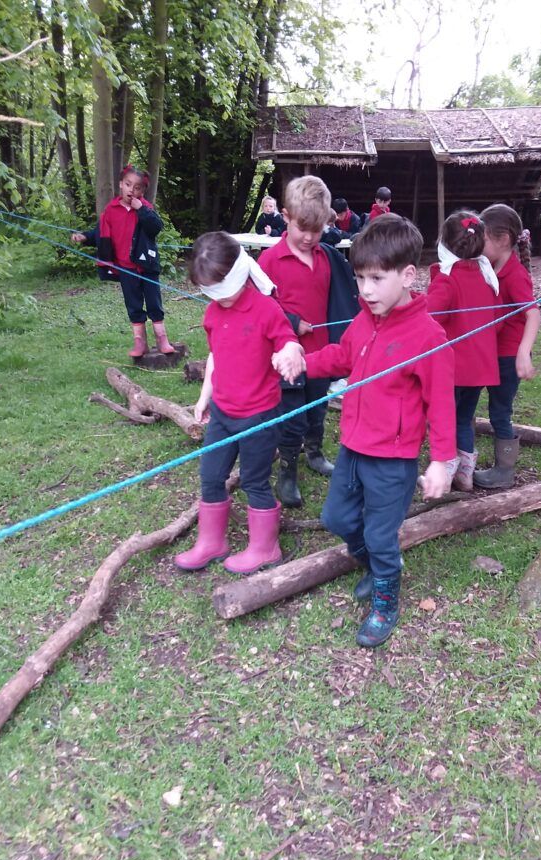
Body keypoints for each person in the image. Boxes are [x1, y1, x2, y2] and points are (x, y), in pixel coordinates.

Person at [273, 214, 458, 649]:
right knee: (334, 517)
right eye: (359, 278)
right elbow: (342, 356)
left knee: (380, 534)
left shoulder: (428, 337)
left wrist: (443, 462)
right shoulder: (365, 320)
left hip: (392, 461)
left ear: (408, 275)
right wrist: (304, 363)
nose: (366, 289)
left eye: (376, 278)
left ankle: (385, 600)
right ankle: (374, 564)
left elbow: (443, 407)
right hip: (353, 448)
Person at [173, 232, 301, 575]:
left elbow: (287, 339)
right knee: (211, 476)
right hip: (223, 415)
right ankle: (212, 542)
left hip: (259, 415)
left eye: (219, 287)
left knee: (254, 481)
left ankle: (265, 547)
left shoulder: (265, 308)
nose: (217, 298)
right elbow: (216, 355)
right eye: (207, 290)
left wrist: (289, 352)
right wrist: (204, 397)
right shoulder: (214, 313)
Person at [257, 175, 360, 508]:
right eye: (303, 228)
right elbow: (259, 307)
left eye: (317, 230)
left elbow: (342, 297)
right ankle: (288, 469)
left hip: (320, 355)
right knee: (292, 414)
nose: (310, 237)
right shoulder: (270, 262)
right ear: (286, 217)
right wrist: (290, 322)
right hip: (286, 357)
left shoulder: (327, 258)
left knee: (316, 407)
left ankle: (314, 451)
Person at [427, 210, 500, 491]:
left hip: (453, 367)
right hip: (480, 366)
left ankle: (444, 476)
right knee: (465, 416)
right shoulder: (486, 274)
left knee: (445, 418)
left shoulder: (447, 277)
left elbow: (431, 317)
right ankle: (465, 474)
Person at [71, 164, 175, 358]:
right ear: (120, 184)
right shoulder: (111, 211)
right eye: (128, 184)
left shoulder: (146, 208)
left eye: (137, 187)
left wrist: (142, 209)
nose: (131, 190)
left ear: (143, 191)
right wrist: (85, 237)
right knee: (133, 304)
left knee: (154, 303)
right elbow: (100, 233)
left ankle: (162, 338)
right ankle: (140, 342)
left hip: (147, 267)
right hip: (126, 268)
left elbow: (155, 228)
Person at [471, 203, 541, 489]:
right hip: (490, 351)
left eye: (482, 238)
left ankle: (504, 470)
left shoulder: (514, 275)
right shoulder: (491, 267)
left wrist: (523, 353)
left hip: (508, 356)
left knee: (500, 411)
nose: (478, 243)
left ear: (502, 240)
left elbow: (533, 314)